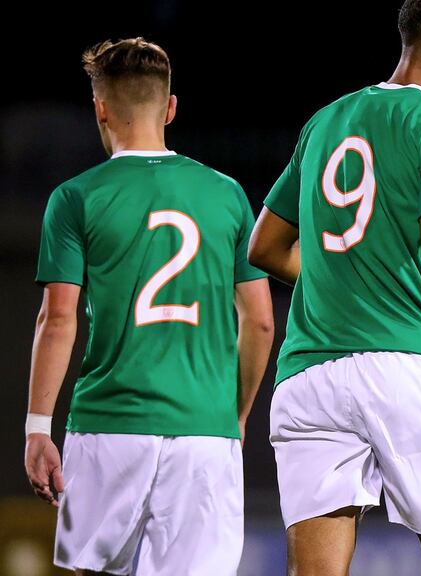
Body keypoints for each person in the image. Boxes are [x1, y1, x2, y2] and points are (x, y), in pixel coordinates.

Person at [247, 1, 421, 574]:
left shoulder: (325, 121)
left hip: (307, 378)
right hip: (408, 369)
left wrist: (343, 279)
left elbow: (263, 248)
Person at [24, 37, 274, 575]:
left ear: (101, 108)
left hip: (107, 427)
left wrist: (38, 427)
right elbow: (258, 320)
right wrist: (236, 412)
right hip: (205, 430)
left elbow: (57, 318)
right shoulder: (227, 193)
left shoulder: (74, 197)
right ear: (170, 107)